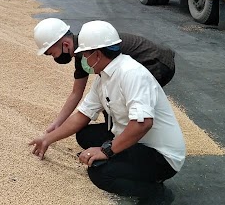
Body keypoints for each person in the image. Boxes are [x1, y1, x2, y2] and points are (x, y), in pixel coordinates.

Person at [29, 20, 186, 199]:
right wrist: (47, 139)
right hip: (138, 141)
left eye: (85, 55)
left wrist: (106, 151)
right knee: (84, 135)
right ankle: (123, 154)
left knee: (100, 174)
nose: (83, 61)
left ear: (96, 55)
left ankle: (158, 195)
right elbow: (82, 115)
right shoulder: (103, 77)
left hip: (160, 155)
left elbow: (143, 124)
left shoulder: (132, 73)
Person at [33, 17, 176, 133]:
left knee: (124, 104)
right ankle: (118, 137)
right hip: (152, 60)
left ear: (65, 44)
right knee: (112, 102)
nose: (55, 58)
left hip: (157, 63)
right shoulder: (82, 55)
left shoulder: (90, 47)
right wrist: (58, 123)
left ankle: (126, 144)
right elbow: (76, 93)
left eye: (52, 53)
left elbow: (111, 87)